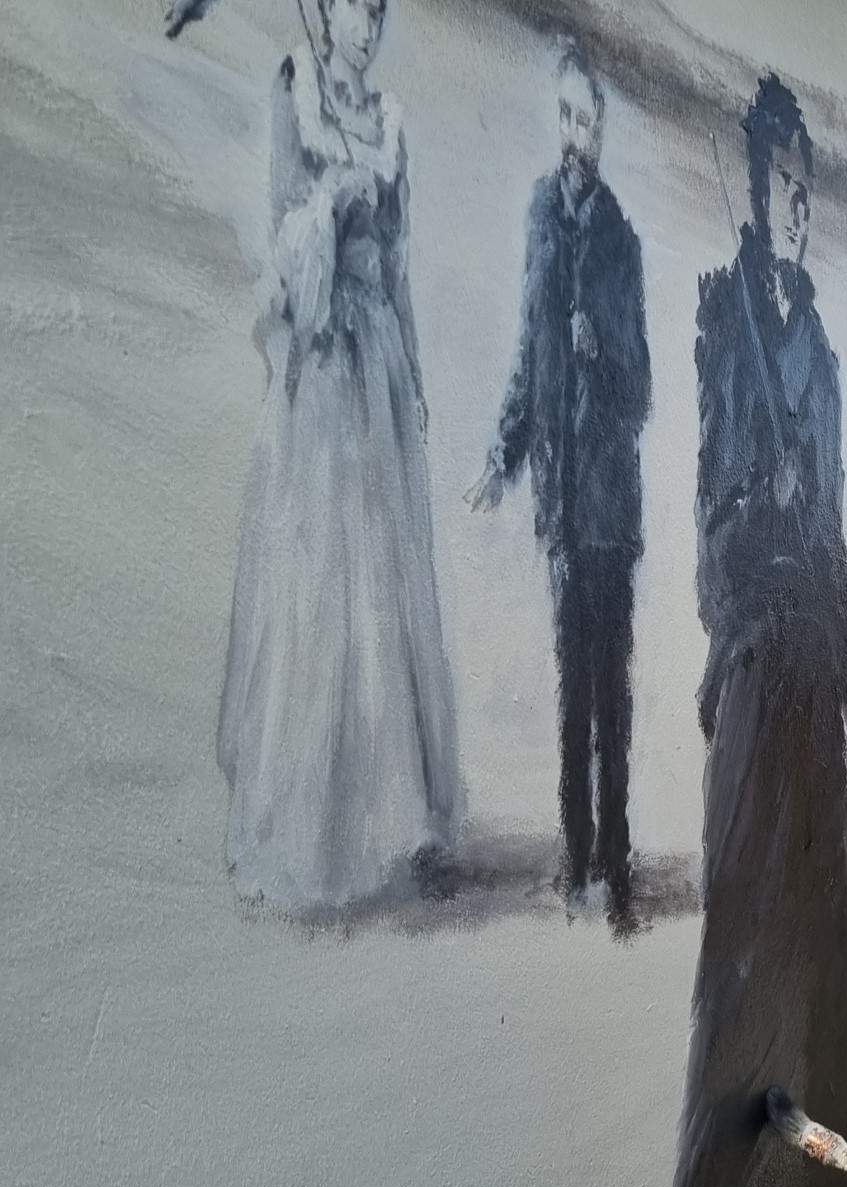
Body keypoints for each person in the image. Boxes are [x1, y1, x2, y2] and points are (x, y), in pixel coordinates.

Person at [671, 73, 847, 1187]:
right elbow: (711, 506)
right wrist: (761, 529)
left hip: (816, 668)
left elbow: (843, 519)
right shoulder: (723, 313)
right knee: (752, 936)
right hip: (756, 665)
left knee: (823, 937)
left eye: (807, 187)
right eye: (780, 183)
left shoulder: (826, 346)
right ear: (754, 185)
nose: (794, 204)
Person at [218, 0, 462, 915]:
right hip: (320, 372)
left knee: (384, 582)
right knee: (320, 578)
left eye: (378, 7)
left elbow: (397, 267)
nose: (367, 21)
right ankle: (307, 827)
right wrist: (328, 204)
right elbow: (279, 248)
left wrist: (418, 367)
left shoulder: (390, 121)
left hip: (379, 373)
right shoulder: (296, 91)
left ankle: (388, 818)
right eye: (352, 5)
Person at [469, 44, 650, 931]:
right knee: (569, 693)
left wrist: (602, 357)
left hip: (612, 511)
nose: (584, 136)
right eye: (572, 119)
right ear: (559, 121)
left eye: (595, 122)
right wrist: (503, 459)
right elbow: (525, 357)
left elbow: (643, 388)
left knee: (610, 698)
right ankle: (575, 860)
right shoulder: (543, 218)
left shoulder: (622, 242)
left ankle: (615, 869)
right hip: (561, 505)